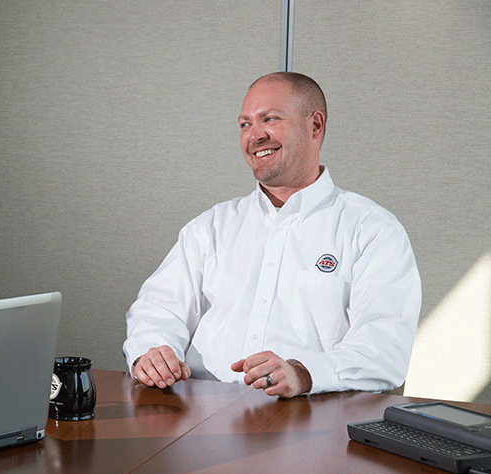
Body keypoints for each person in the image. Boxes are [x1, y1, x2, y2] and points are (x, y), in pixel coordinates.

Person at [124, 72, 421, 398]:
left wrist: (304, 373)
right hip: (197, 417)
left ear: (315, 126)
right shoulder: (210, 227)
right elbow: (157, 310)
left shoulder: (373, 231)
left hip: (314, 422)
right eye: (245, 124)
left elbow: (385, 347)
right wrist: (152, 352)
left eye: (270, 119)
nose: (254, 136)